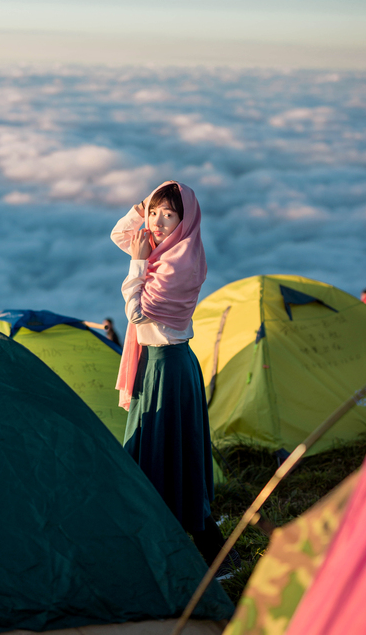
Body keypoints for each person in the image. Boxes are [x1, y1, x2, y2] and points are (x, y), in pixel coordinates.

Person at [110, 180, 240, 579]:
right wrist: (143, 206)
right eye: (154, 213)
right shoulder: (163, 250)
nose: (159, 222)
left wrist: (136, 263)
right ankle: (187, 549)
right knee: (161, 455)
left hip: (169, 367)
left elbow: (137, 314)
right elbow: (119, 233)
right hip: (158, 364)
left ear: (186, 221)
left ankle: (206, 555)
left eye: (170, 214)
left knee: (164, 457)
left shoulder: (181, 263)